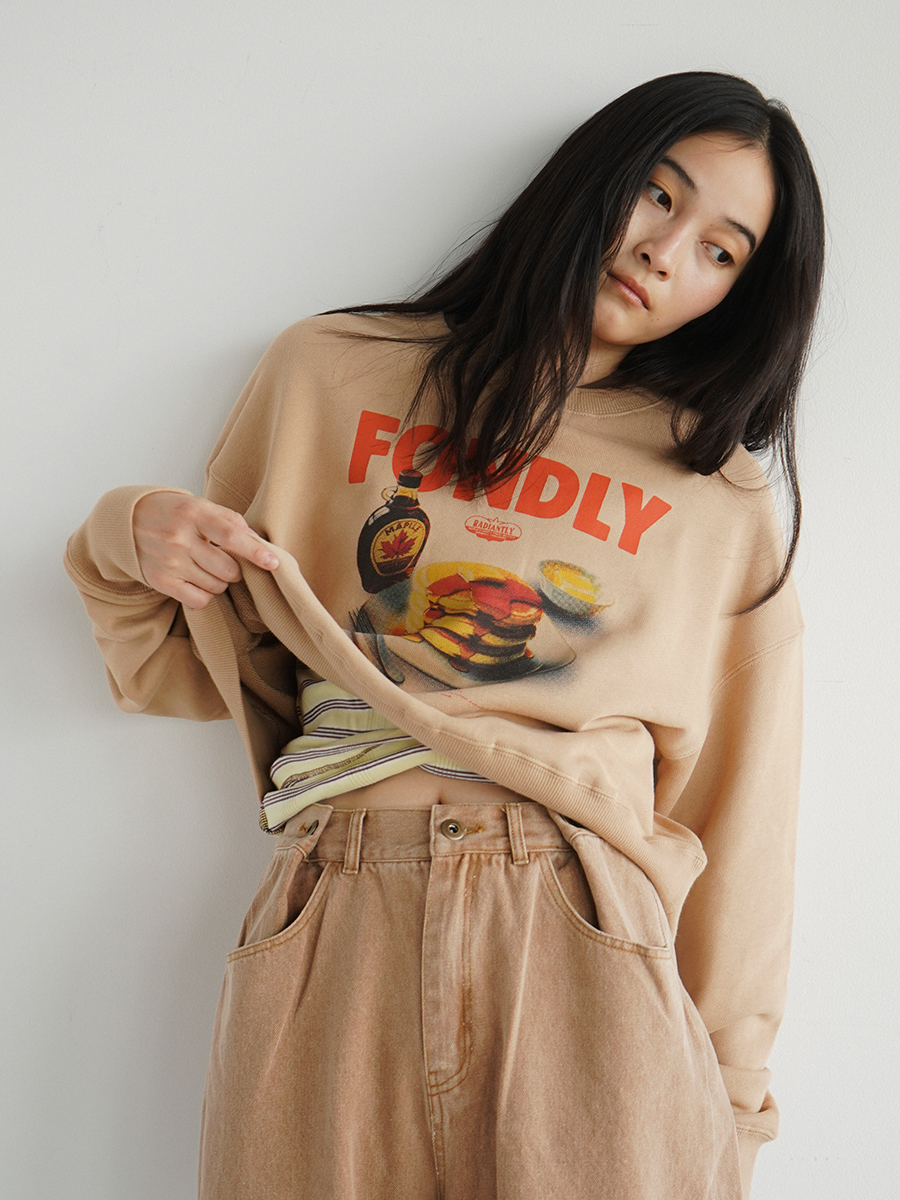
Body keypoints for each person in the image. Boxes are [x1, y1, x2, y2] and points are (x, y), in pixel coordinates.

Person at [65, 71, 824, 1200]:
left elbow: (743, 810)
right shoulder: (329, 371)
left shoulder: (716, 495)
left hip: (582, 927)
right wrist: (120, 536)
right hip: (335, 905)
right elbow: (192, 671)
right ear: (596, 178)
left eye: (722, 251)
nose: (666, 254)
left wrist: (734, 1108)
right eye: (660, 196)